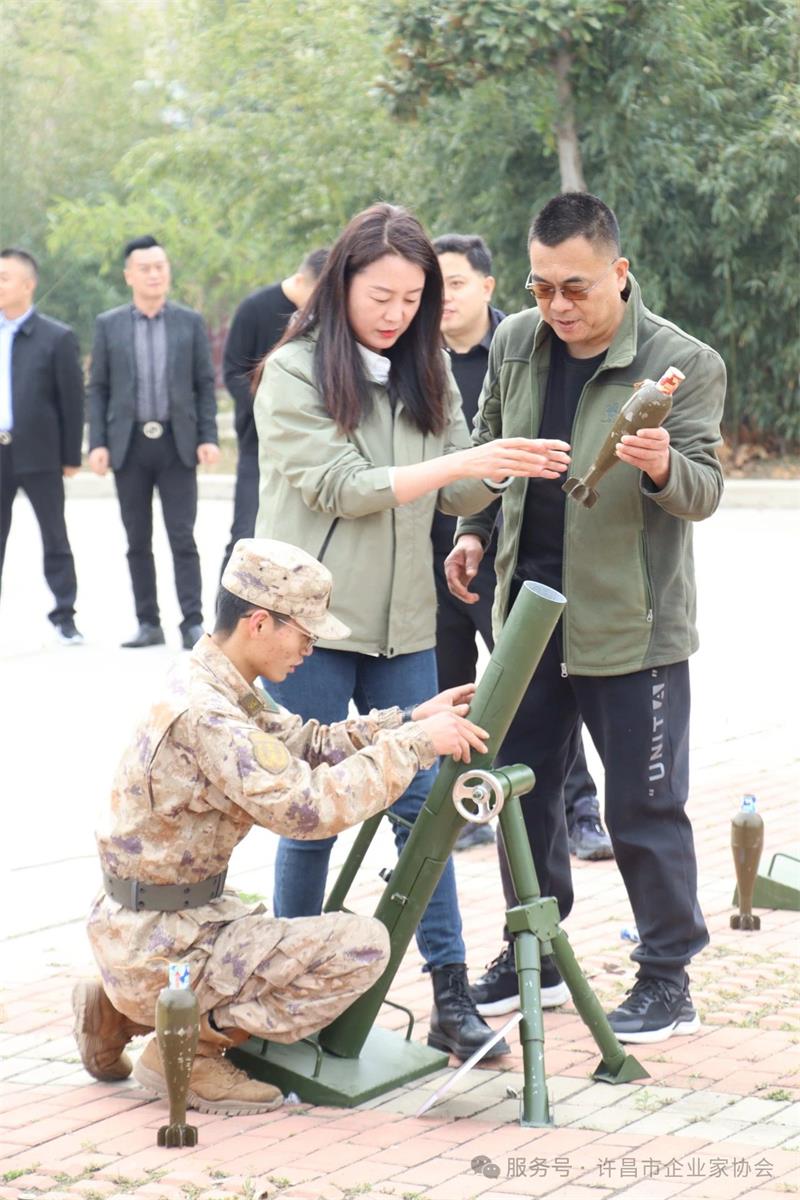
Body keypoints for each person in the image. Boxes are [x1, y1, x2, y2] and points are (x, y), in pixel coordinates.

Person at [253, 202, 570, 1061]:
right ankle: (291, 998)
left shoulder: (425, 366)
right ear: (340, 286)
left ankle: (450, 997)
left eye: (411, 299)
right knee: (308, 813)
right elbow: (343, 486)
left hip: (404, 630)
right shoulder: (292, 372)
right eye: (380, 297)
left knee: (425, 809)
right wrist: (464, 462)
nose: (396, 314)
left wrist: (506, 463)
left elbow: (460, 490)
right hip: (309, 631)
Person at [74, 537, 491, 1115]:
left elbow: (303, 744)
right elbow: (308, 810)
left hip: (157, 923)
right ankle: (188, 1049)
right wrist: (415, 746)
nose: (309, 650)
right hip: (164, 938)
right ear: (259, 623)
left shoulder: (212, 679)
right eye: (305, 634)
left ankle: (119, 1011)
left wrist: (406, 721)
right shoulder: (211, 714)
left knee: (276, 939)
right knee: (363, 949)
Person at [447, 192, 725, 1042]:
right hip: (526, 617)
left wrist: (663, 466)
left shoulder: (682, 361)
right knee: (520, 798)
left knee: (645, 805)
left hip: (631, 625)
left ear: (619, 272)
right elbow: (488, 450)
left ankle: (667, 977)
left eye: (576, 287)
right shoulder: (515, 342)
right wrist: (471, 530)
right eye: (541, 288)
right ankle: (531, 950)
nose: (557, 307)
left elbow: (705, 491)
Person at [433, 234, 612, 860]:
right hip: (437, 553)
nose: (443, 297)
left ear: (487, 286)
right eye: (434, 286)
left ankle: (581, 813)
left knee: (536, 695)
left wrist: (481, 529)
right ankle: (461, 816)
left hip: (506, 560)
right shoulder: (417, 359)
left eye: (456, 283)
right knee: (456, 695)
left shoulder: (525, 346)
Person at [87, 235, 219, 650]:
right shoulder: (109, 324)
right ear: (129, 275)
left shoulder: (189, 322)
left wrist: (208, 437)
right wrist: (97, 442)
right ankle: (148, 623)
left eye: (160, 266)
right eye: (145, 268)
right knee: (137, 539)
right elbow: (99, 388)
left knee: (183, 537)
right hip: (128, 445)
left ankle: (192, 622)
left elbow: (204, 384)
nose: (154, 274)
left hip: (177, 444)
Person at [220, 248, 328, 574]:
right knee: (246, 535)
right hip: (259, 443)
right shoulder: (254, 308)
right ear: (302, 280)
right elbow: (233, 372)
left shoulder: (326, 316)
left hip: (311, 445)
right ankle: (228, 608)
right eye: (321, 293)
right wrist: (276, 408)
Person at [0, 248, 85, 643]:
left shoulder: (56, 337)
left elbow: (72, 401)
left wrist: (70, 456)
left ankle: (64, 616)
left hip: (39, 453)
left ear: (28, 285)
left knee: (54, 535)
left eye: (4, 277)